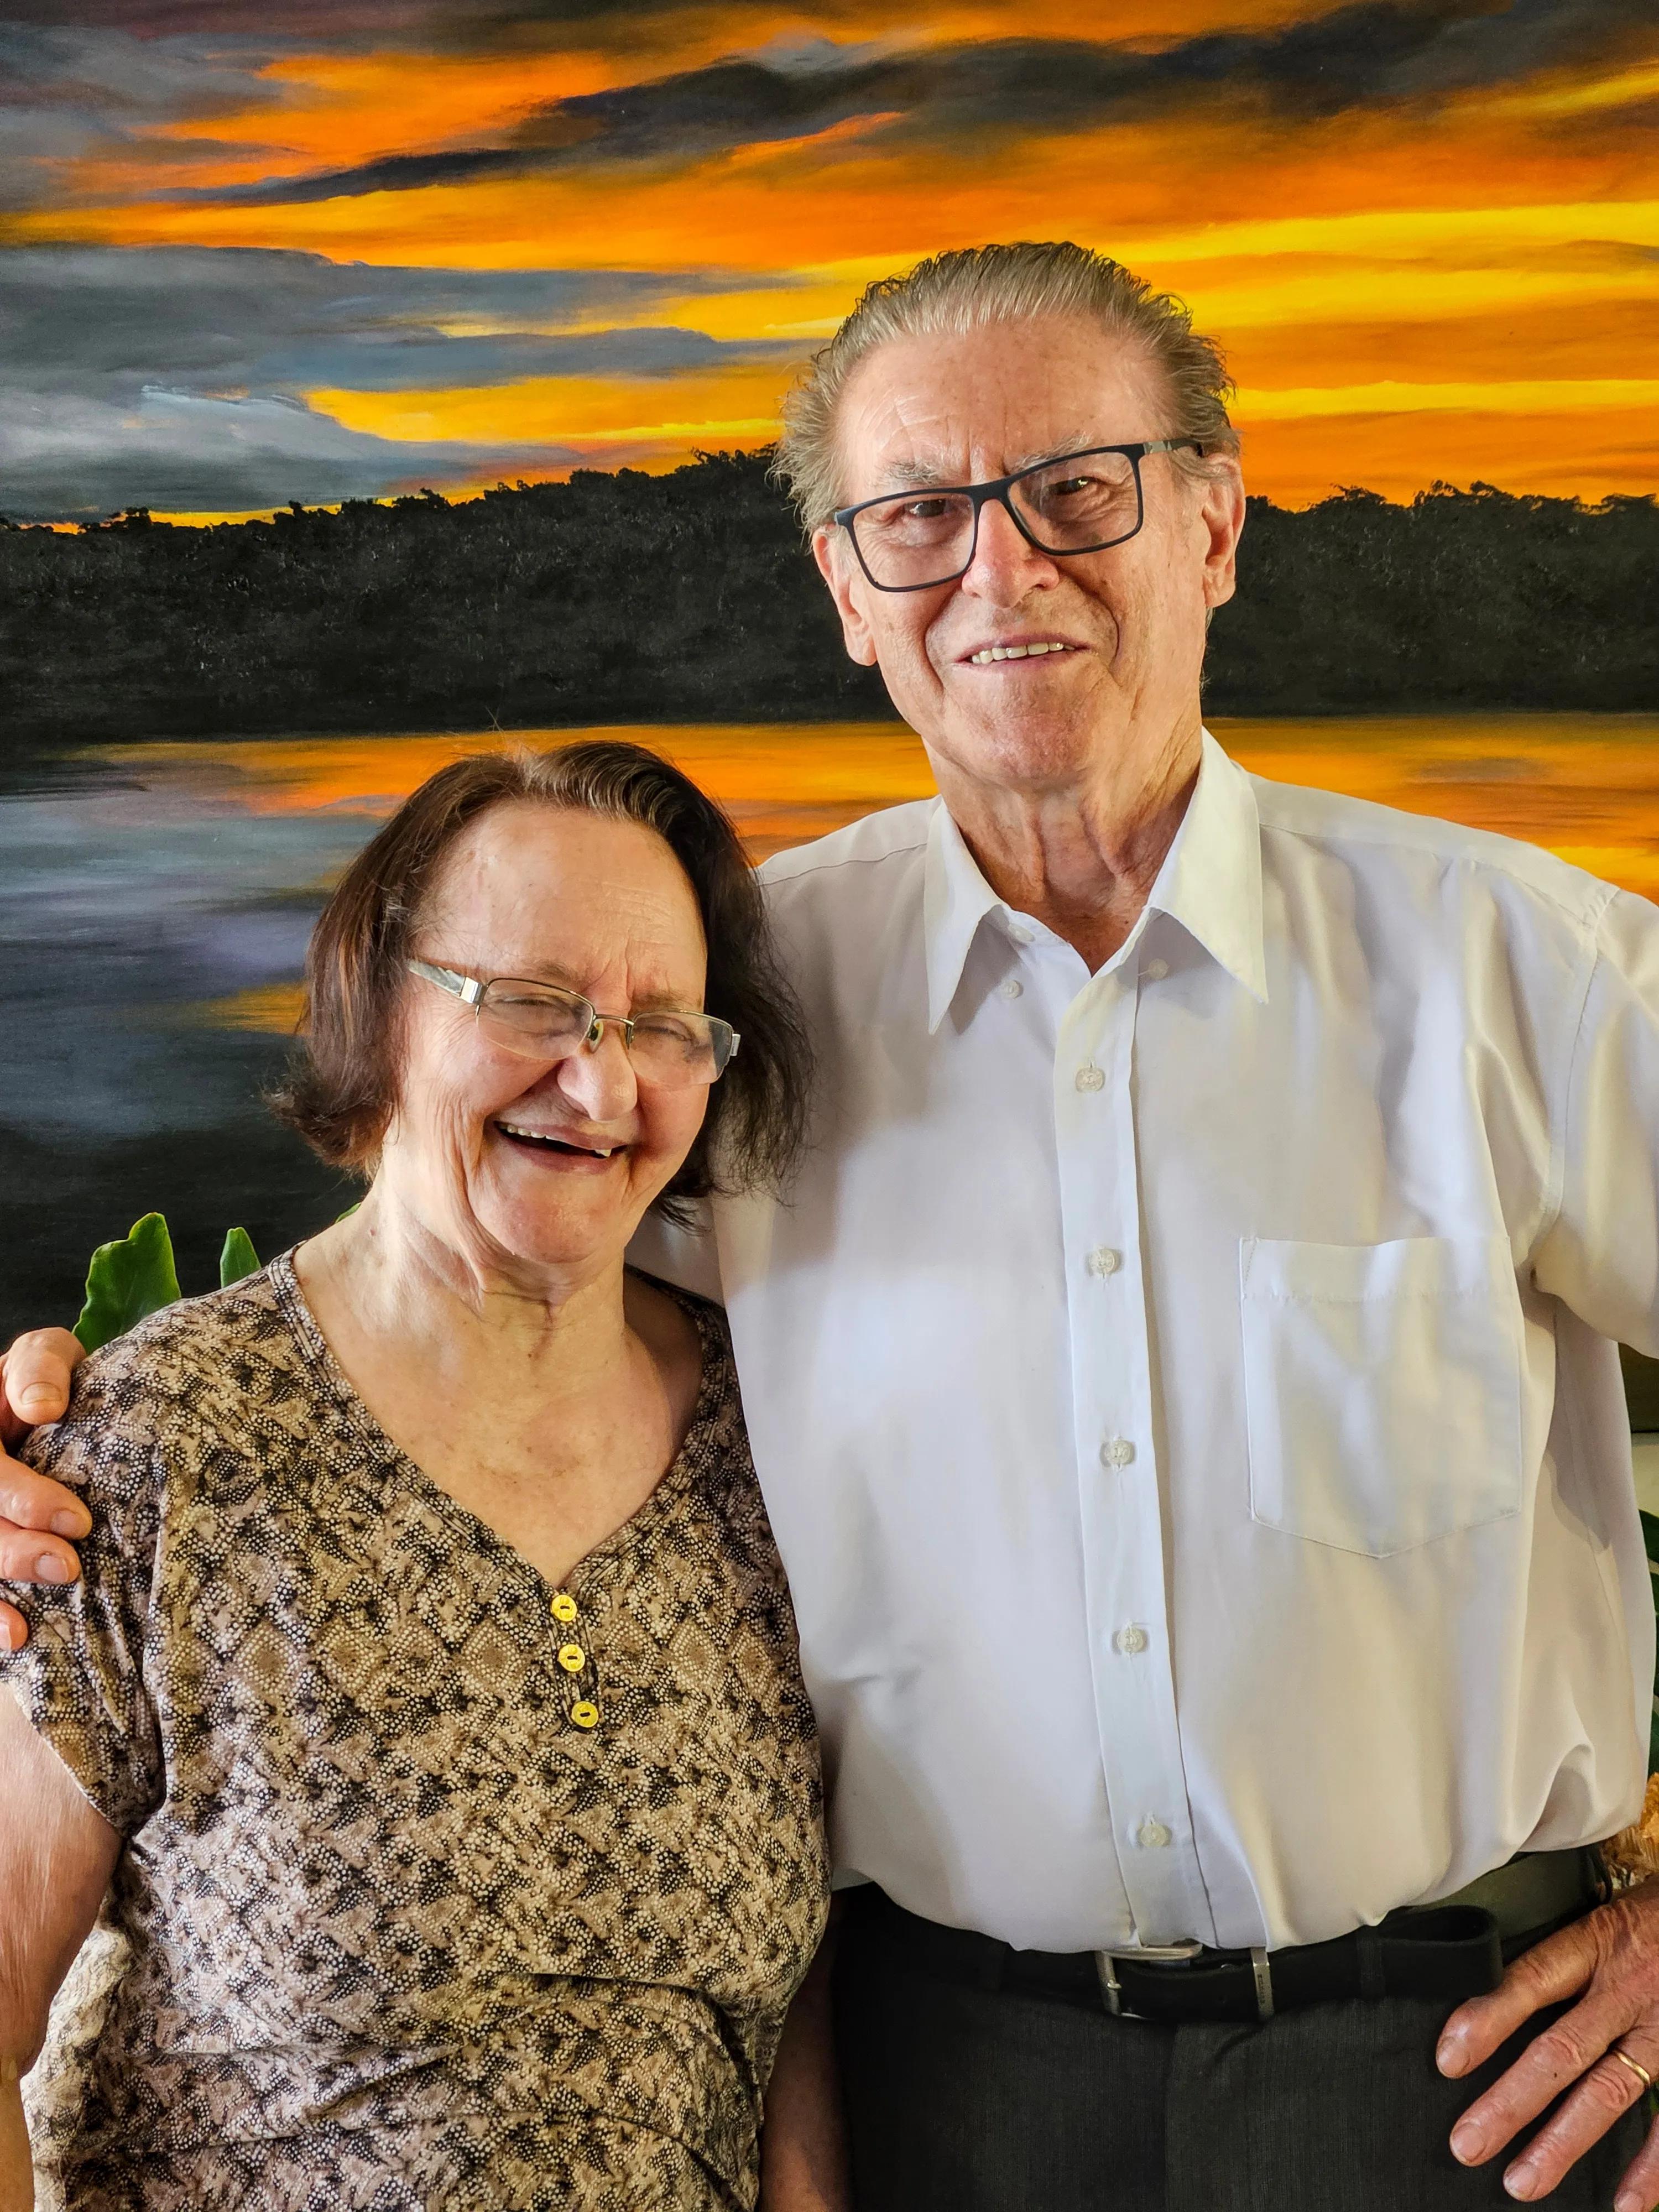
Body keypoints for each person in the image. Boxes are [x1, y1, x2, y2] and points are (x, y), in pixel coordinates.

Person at [4, 238, 1659, 2209]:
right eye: (920, 516)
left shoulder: (1517, 974)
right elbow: (448, 1303)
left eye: (1078, 490)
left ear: (1216, 526)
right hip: (932, 2087)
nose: (1003, 567)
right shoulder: (723, 1002)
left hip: (1473, 2072)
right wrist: (64, 1449)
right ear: (848, 593)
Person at [0, 740, 828, 2211]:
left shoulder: (780, 1453)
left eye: (663, 1025)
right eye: (531, 1004)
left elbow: (794, 2037)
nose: (602, 1079)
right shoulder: (158, 1447)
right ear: (378, 1006)